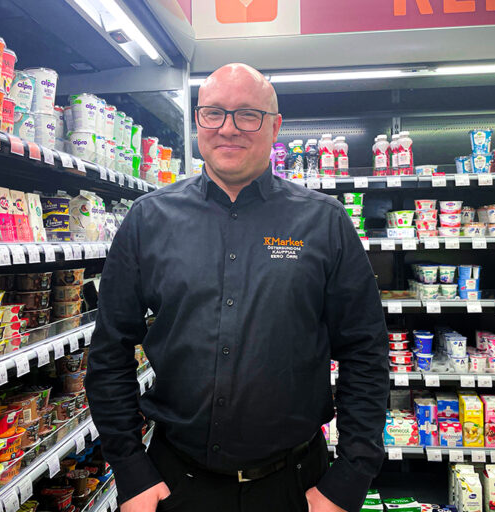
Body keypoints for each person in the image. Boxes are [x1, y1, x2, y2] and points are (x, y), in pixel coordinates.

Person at [85, 63, 389, 512]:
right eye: (214, 113)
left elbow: (365, 351)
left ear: (275, 126)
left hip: (295, 488)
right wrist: (130, 469)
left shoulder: (324, 222)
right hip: (176, 485)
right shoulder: (148, 220)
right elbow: (109, 352)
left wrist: (350, 478)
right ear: (198, 121)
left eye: (248, 114)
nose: (229, 128)